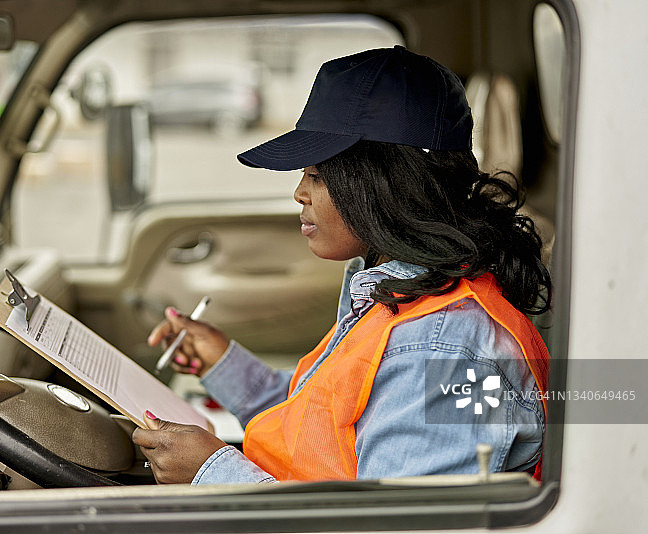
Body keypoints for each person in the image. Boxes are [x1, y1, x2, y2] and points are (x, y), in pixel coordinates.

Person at [132, 46, 550, 485]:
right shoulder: (398, 292)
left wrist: (210, 472)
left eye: (316, 176)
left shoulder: (446, 353)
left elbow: (394, 526)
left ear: (382, 184)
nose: (299, 193)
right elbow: (321, 428)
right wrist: (224, 365)